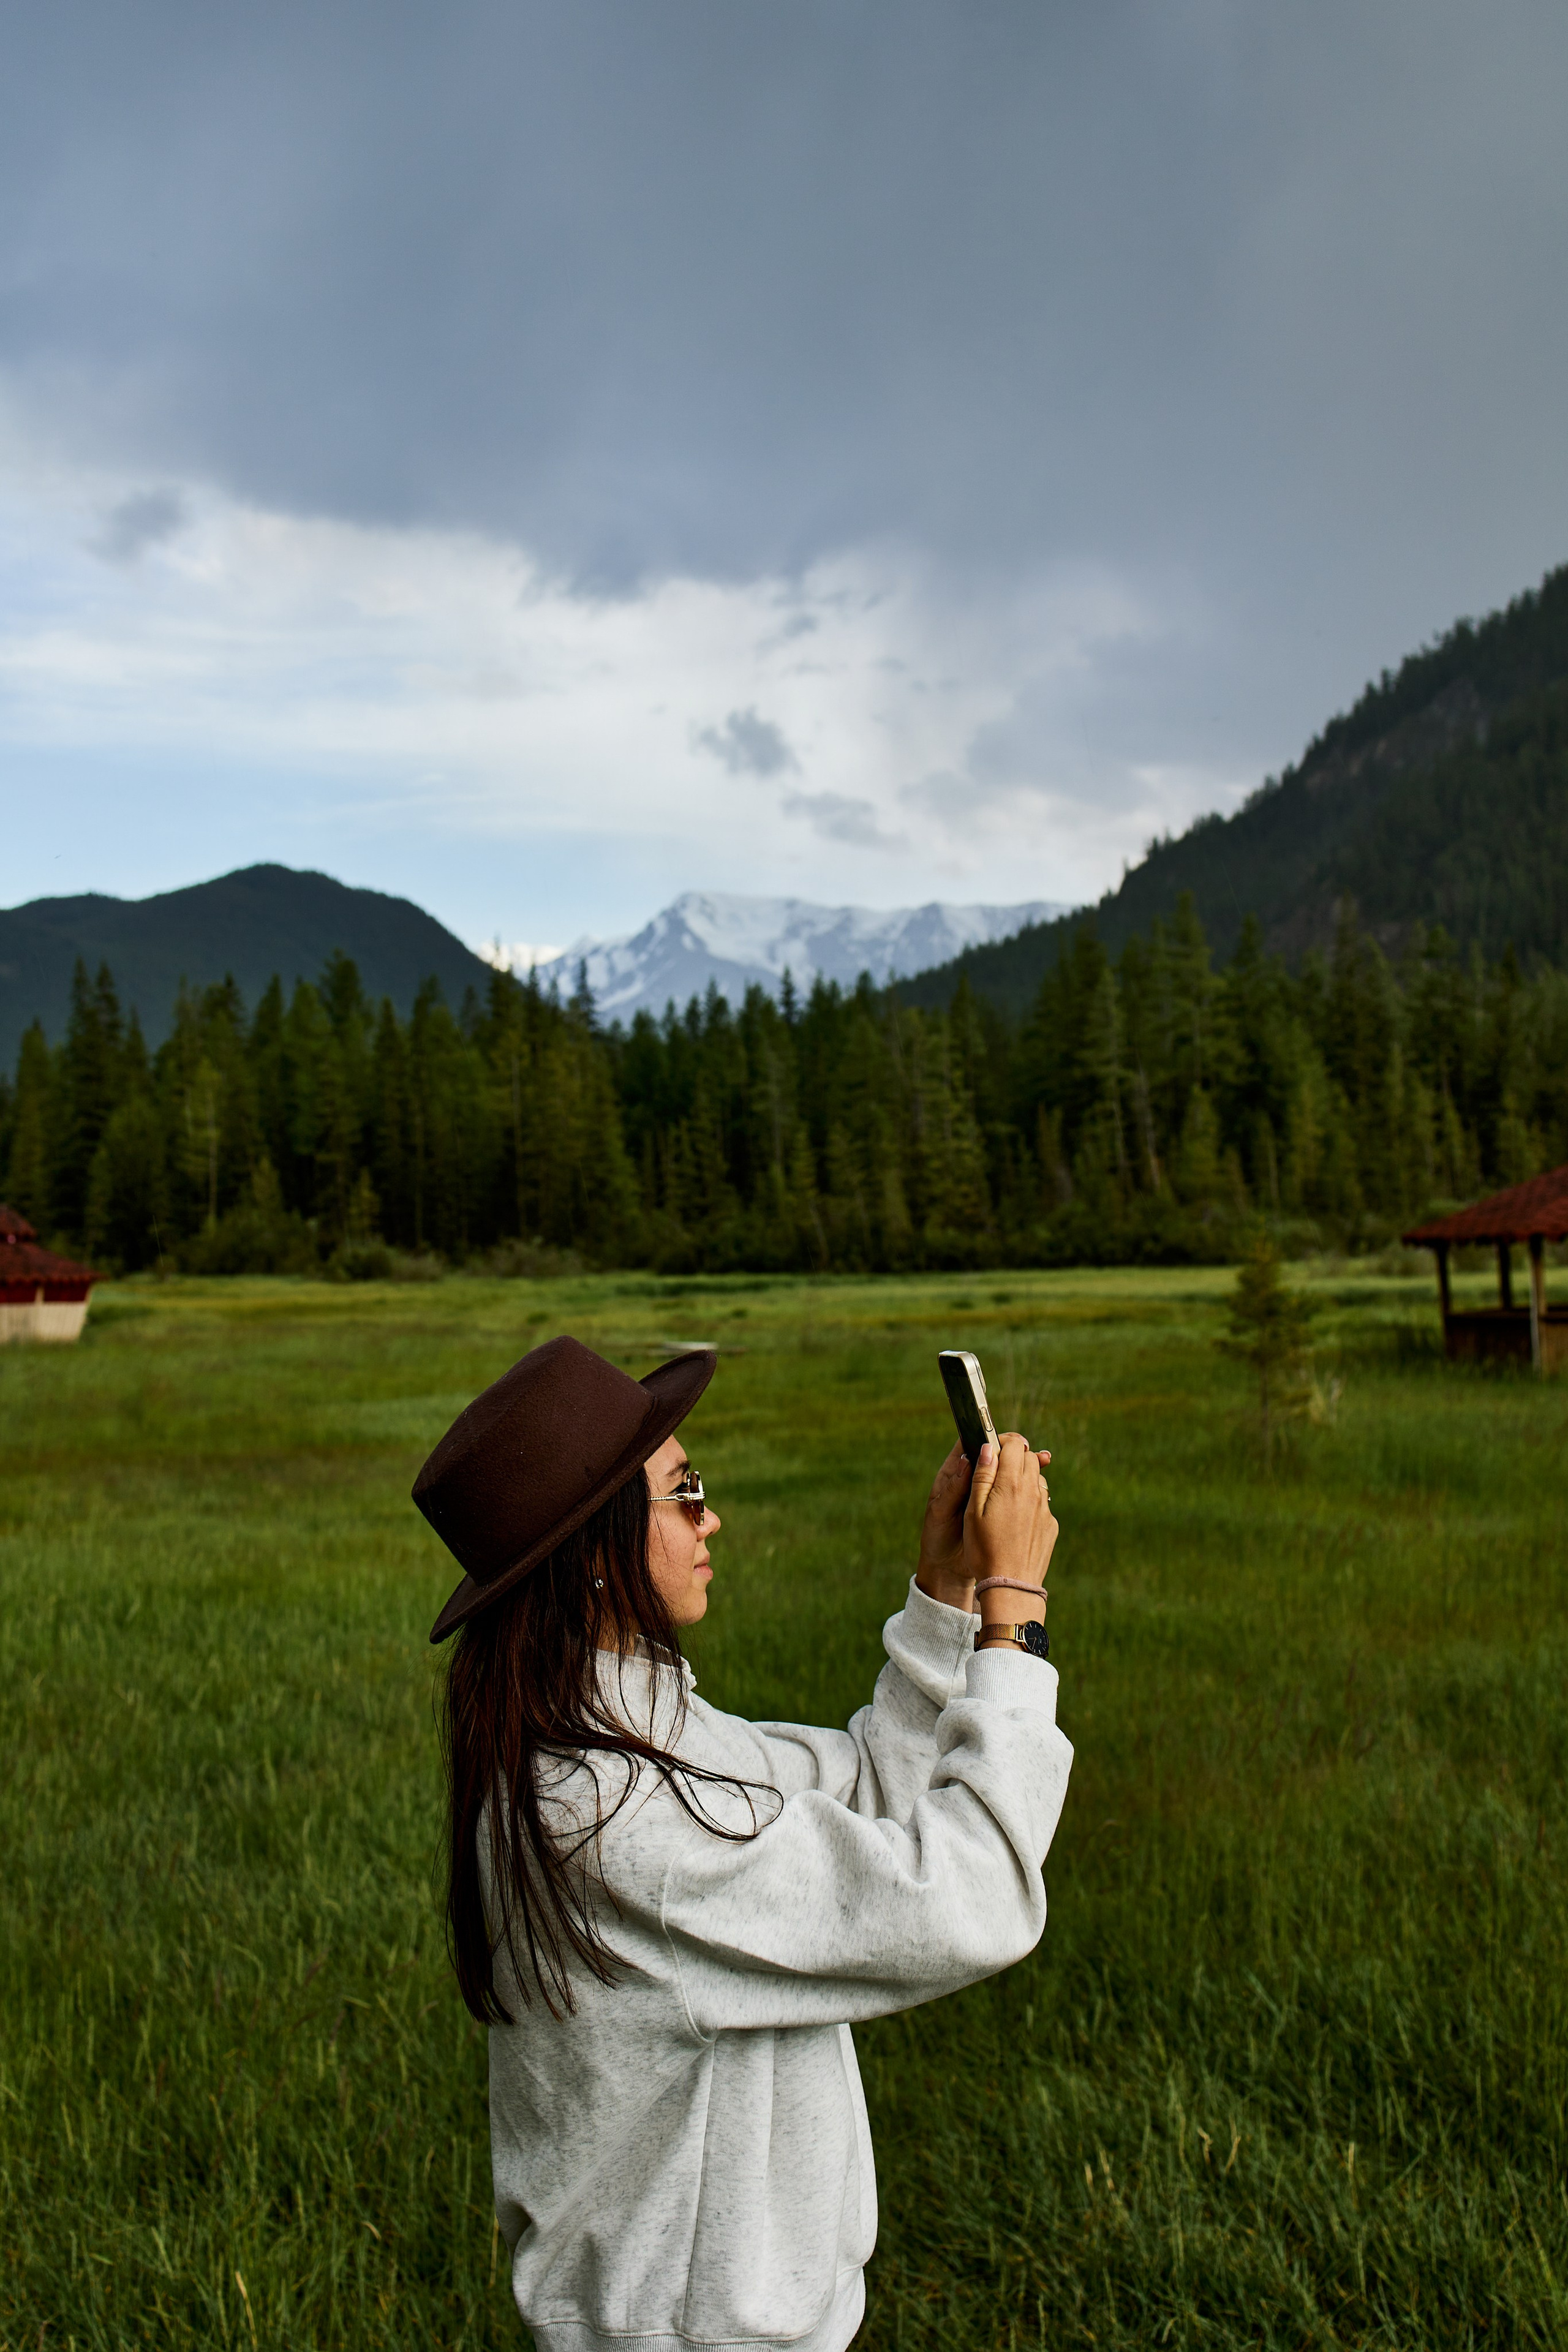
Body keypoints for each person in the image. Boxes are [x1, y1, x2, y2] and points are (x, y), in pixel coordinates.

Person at [414, 1333, 1072, 2352]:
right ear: (594, 1555)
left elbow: (855, 1798)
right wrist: (1012, 1619)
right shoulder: (614, 1811)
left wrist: (944, 1596)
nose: (709, 1515)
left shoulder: (613, 1732)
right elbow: (968, 1896)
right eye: (683, 1493)